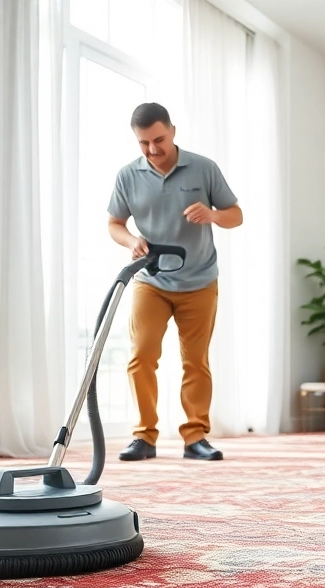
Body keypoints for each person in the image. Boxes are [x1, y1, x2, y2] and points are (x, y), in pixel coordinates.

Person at [107, 103, 243, 462]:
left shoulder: (203, 168)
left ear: (173, 131)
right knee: (141, 356)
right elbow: (114, 224)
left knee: (195, 361)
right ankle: (144, 437)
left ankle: (195, 437)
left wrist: (212, 214)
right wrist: (131, 240)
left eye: (159, 140)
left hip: (199, 280)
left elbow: (236, 215)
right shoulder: (128, 176)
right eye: (144, 143)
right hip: (151, 280)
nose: (153, 150)